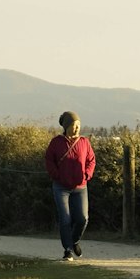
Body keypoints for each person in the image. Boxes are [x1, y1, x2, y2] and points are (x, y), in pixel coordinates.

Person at [45, 112, 96, 262]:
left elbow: (91, 160)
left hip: (80, 187)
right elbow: (49, 160)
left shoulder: (84, 142)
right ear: (66, 126)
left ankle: (74, 241)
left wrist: (87, 175)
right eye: (74, 125)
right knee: (65, 219)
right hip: (61, 187)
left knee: (82, 218)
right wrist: (56, 175)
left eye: (78, 125)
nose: (76, 128)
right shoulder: (56, 142)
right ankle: (67, 250)